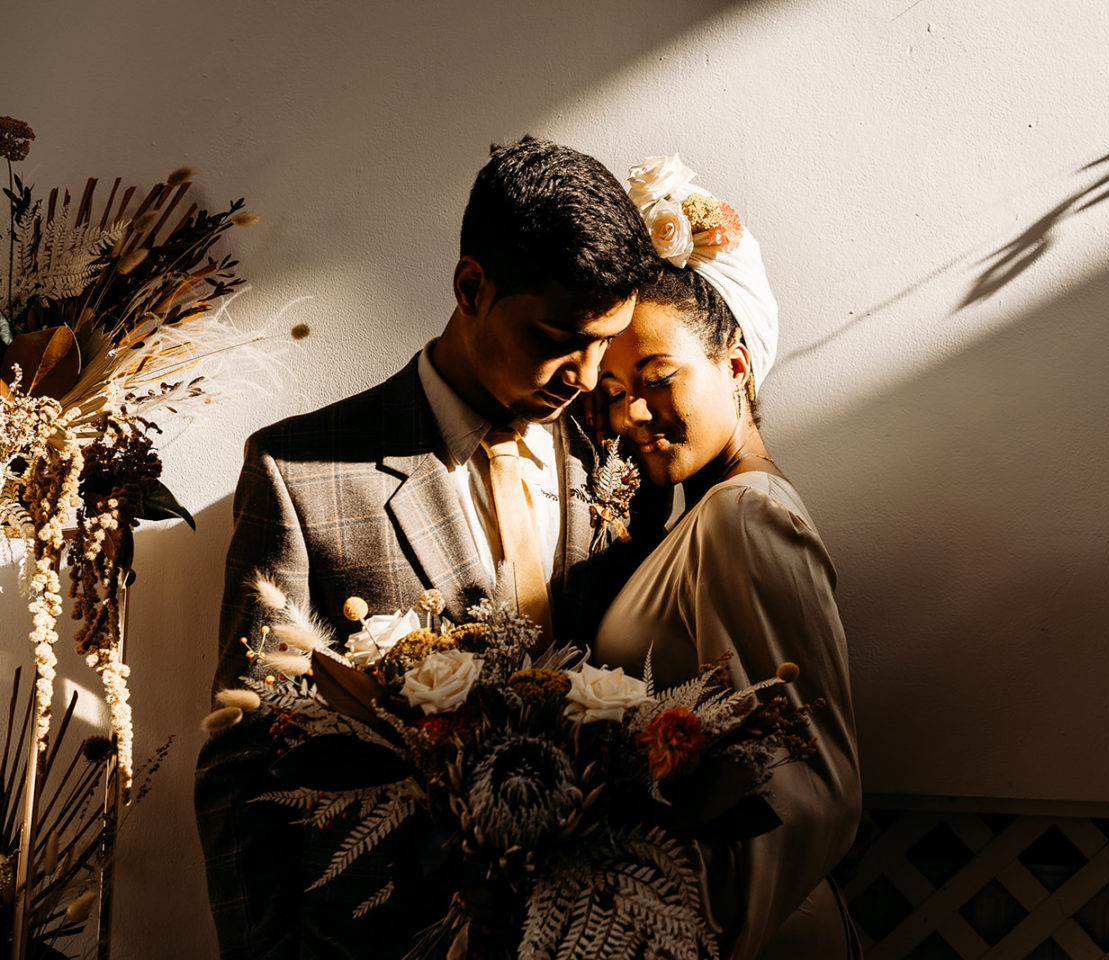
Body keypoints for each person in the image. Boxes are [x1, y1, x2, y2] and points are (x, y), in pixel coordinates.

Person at [194, 136, 659, 960]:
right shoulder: (299, 473)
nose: (586, 375)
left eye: (605, 342)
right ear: (471, 286)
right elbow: (242, 765)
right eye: (558, 336)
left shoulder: (613, 454)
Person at [593, 155, 863, 959]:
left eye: (657, 377)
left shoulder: (745, 517)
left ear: (736, 364)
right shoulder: (703, 518)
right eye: (611, 393)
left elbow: (812, 792)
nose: (631, 413)